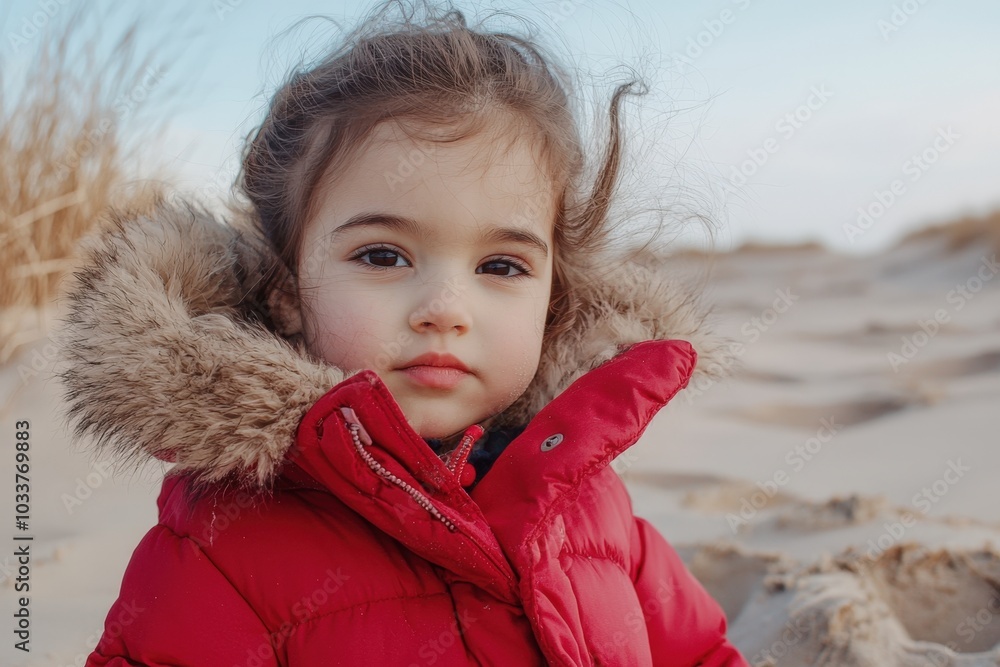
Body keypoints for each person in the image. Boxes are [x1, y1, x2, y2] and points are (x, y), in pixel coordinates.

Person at [56, 1, 749, 664]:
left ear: (553, 298)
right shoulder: (222, 550)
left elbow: (696, 653)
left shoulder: (584, 500)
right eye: (383, 256)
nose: (445, 307)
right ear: (285, 289)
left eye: (500, 265)